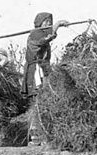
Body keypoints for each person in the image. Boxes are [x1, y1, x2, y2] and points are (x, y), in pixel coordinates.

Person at [22, 12, 68, 145]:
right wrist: (57, 25)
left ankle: (44, 136)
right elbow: (45, 40)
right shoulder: (35, 34)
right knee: (38, 102)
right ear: (39, 23)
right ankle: (36, 138)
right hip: (35, 71)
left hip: (43, 70)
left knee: (45, 101)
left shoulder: (42, 34)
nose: (48, 24)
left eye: (50, 22)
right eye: (46, 22)